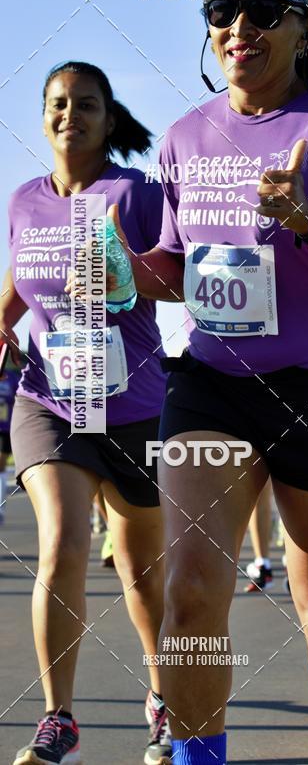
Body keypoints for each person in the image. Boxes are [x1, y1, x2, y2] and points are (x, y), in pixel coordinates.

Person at [114, 0, 308, 765]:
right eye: (220, 16)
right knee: (192, 591)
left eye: (260, 13)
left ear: (300, 28)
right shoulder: (184, 136)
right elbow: (175, 269)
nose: (236, 29)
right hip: (212, 385)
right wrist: (120, 273)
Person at [3, 62, 172, 765]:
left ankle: (164, 703)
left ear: (109, 119)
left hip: (134, 408)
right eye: (58, 103)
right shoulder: (23, 201)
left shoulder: (133, 193)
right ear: (43, 116)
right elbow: (17, 284)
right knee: (63, 544)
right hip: (49, 400)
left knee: (143, 574)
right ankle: (58, 719)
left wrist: (125, 271)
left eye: (87, 105)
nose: (70, 114)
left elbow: (176, 274)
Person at [0, 355, 21, 524]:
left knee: (0, 466)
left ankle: (0, 508)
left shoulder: (11, 378)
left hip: (5, 428)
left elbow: (18, 401)